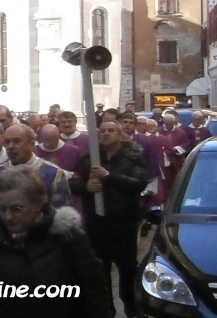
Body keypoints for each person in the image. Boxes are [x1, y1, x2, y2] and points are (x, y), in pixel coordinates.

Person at [0, 167, 111, 318]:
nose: (8, 217)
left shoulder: (67, 238)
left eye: (17, 209)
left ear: (38, 203)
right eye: (1, 208)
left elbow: (94, 293)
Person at [70, 120, 147, 318]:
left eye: (111, 130)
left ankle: (130, 304)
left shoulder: (132, 157)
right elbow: (73, 182)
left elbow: (138, 183)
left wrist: (108, 176)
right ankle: (106, 308)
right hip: (97, 222)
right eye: (103, 131)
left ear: (119, 134)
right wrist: (86, 188)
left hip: (124, 222)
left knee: (127, 266)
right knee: (99, 267)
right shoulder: (89, 158)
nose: (106, 134)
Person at [0, 124, 72, 209]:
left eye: (17, 141)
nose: (11, 146)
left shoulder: (53, 174)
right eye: (7, 142)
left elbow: (62, 215)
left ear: (31, 144)